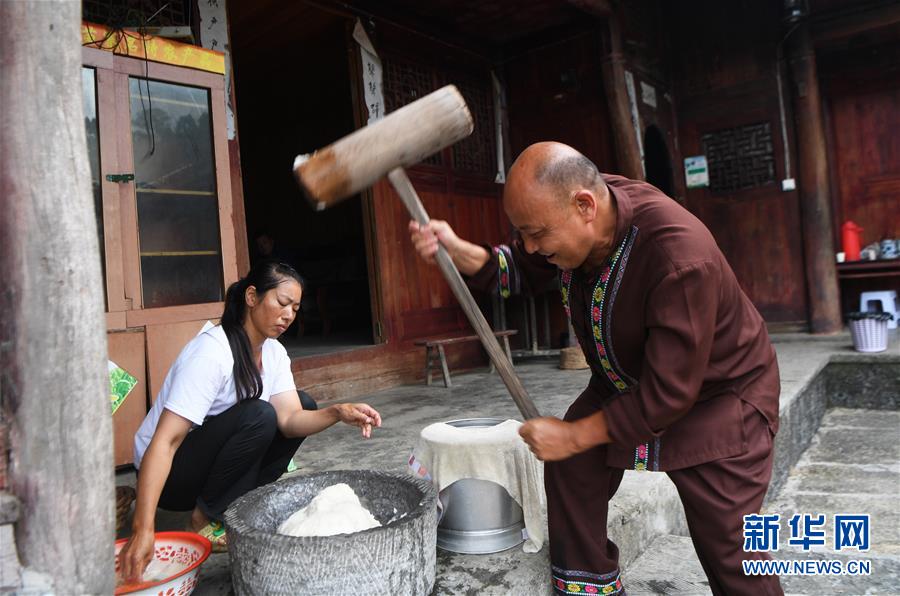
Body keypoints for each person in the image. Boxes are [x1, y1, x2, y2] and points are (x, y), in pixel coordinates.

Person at [409, 142, 782, 595]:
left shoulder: (680, 257)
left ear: (585, 205)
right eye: (523, 233)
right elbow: (524, 268)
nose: (530, 246)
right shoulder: (578, 213)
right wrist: (456, 250)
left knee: (730, 546)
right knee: (573, 470)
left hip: (720, 400)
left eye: (537, 233)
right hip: (624, 383)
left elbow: (666, 397)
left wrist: (570, 436)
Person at [119, 260, 382, 582]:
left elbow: (289, 420)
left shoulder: (273, 353)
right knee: (258, 414)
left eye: (296, 308)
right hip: (172, 477)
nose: (288, 315)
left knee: (303, 404)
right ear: (252, 296)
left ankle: (225, 508)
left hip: (207, 467)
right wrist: (142, 528)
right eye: (282, 303)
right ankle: (204, 518)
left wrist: (337, 413)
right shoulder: (212, 353)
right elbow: (166, 441)